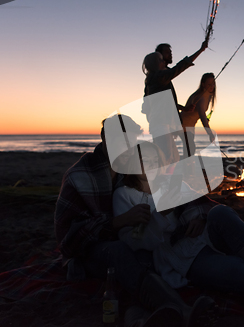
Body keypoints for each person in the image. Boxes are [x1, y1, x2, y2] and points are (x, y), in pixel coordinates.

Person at [113, 141, 244, 319]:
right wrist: (159, 216)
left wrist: (198, 215)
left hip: (205, 235)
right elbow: (136, 243)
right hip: (180, 256)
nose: (150, 165)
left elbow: (200, 203)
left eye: (154, 160)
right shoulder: (125, 194)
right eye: (143, 160)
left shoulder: (168, 183)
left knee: (220, 212)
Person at [55, 114, 213, 327]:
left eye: (132, 142)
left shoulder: (129, 171)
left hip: (134, 245)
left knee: (145, 257)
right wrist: (118, 222)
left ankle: (139, 316)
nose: (128, 149)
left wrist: (197, 214)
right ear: (105, 138)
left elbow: (180, 191)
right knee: (119, 251)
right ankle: (182, 311)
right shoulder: (80, 175)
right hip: (89, 253)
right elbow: (68, 241)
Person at [142, 41, 208, 165]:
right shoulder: (159, 77)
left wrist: (182, 108)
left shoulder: (154, 79)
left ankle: (168, 181)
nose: (164, 61)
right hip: (161, 124)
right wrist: (200, 50)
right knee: (167, 159)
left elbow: (160, 102)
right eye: (162, 58)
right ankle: (163, 182)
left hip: (162, 124)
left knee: (172, 158)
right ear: (157, 62)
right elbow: (180, 67)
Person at [179, 73, 217, 156]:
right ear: (203, 84)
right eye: (209, 84)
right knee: (190, 149)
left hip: (190, 126)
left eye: (213, 84)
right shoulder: (201, 97)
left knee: (189, 150)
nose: (212, 86)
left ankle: (186, 167)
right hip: (183, 125)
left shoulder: (208, 96)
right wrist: (210, 134)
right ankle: (186, 167)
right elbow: (202, 116)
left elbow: (200, 114)